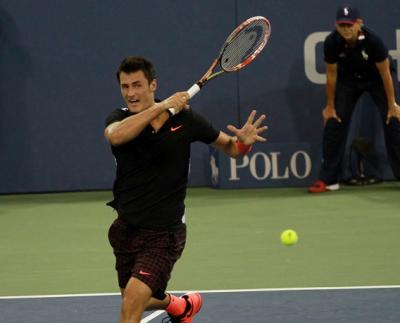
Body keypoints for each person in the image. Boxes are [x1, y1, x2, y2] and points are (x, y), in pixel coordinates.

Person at [104, 56, 267, 323]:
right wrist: (164, 106)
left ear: (153, 85)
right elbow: (116, 136)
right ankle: (180, 306)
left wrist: (244, 143)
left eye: (137, 85)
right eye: (125, 87)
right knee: (133, 298)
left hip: (164, 234)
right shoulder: (119, 119)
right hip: (126, 228)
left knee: (132, 303)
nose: (131, 93)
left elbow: (231, 149)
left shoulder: (187, 121)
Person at [308, 4, 400, 193]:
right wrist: (330, 107)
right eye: (342, 26)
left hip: (376, 78)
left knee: (393, 120)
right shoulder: (332, 42)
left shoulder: (373, 40)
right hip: (348, 80)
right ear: (336, 26)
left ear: (359, 24)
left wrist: (392, 104)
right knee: (334, 120)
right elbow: (331, 75)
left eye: (350, 25)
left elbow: (385, 73)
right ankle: (328, 179)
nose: (346, 29)